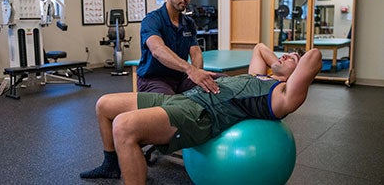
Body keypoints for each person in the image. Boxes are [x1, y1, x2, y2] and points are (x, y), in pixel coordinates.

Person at [79, 43, 322, 184]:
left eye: (294, 58)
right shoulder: (260, 75)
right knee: (104, 104)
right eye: (286, 53)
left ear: (299, 74)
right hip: (183, 99)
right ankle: (111, 165)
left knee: (123, 125)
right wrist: (282, 64)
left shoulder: (280, 95)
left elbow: (315, 56)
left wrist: (292, 67)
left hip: (199, 115)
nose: (285, 55)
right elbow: (259, 48)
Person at [137, 0, 219, 95]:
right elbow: (158, 50)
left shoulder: (188, 23)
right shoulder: (152, 20)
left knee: (222, 82)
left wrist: (197, 75)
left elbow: (196, 54)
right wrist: (190, 70)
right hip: (154, 80)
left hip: (180, 79)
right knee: (172, 106)